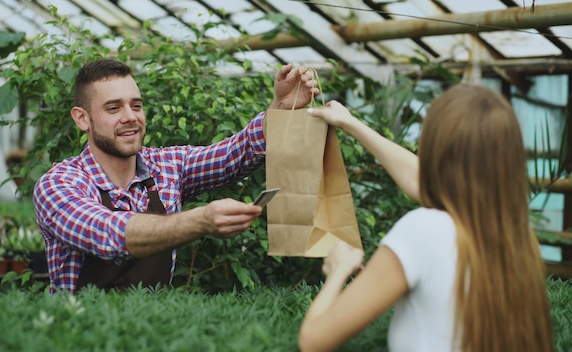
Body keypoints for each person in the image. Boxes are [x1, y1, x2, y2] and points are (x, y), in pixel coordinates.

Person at [299, 84, 554, 351]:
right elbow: (416, 177)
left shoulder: (424, 229)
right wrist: (349, 123)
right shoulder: (518, 238)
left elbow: (313, 340)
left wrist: (339, 270)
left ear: (436, 147)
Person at [33, 59, 319, 294]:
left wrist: (280, 107)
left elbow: (236, 153)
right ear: (82, 118)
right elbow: (107, 234)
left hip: (157, 333)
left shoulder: (168, 166)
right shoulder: (59, 184)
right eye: (113, 108)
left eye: (136, 105)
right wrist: (201, 220)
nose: (130, 116)